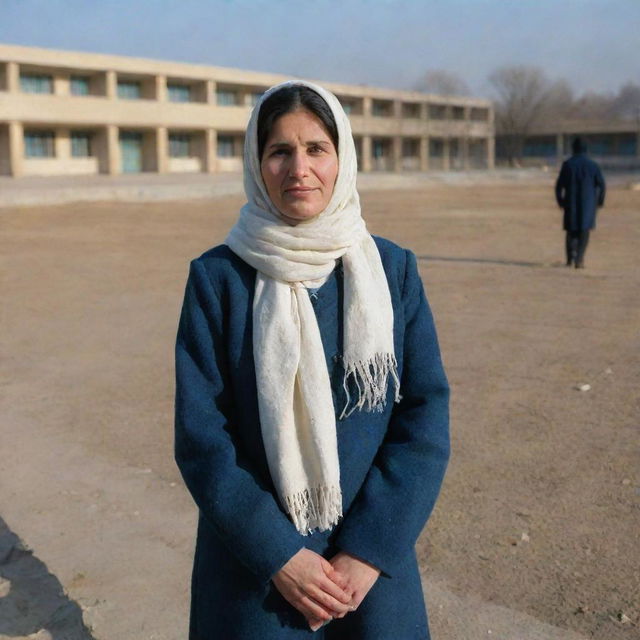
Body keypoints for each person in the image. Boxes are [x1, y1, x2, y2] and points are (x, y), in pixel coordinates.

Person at [174, 80, 450, 639]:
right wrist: (280, 554)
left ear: (341, 158)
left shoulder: (391, 272)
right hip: (257, 575)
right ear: (257, 163)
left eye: (316, 149)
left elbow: (423, 417)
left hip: (367, 575)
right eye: (279, 151)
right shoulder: (219, 279)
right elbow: (203, 436)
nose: (299, 168)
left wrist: (369, 551)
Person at [555, 137, 606, 268]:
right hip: (588, 203)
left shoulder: (567, 164)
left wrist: (560, 201)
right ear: (586, 149)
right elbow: (601, 185)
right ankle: (579, 259)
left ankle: (569, 259)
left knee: (571, 230)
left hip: (570, 202)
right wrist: (600, 201)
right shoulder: (593, 165)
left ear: (573, 149)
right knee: (584, 230)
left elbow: (559, 185)